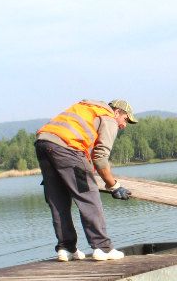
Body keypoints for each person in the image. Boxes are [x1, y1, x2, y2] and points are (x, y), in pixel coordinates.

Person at [34, 99, 137, 261]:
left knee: (58, 199)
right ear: (117, 112)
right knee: (89, 196)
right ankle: (102, 248)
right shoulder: (108, 117)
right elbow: (100, 158)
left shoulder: (88, 109)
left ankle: (66, 248)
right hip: (68, 148)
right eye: (125, 119)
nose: (124, 125)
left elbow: (87, 156)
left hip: (43, 143)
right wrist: (114, 186)